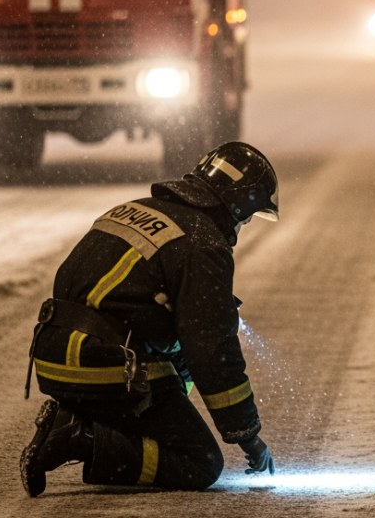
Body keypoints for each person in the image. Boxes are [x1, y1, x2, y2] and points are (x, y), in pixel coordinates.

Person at [20, 142, 280, 496]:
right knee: (201, 462)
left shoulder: (135, 208)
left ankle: (82, 416)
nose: (244, 224)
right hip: (101, 366)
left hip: (54, 358)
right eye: (247, 216)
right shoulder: (203, 242)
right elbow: (212, 352)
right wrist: (247, 436)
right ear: (236, 204)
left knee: (178, 353)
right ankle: (80, 435)